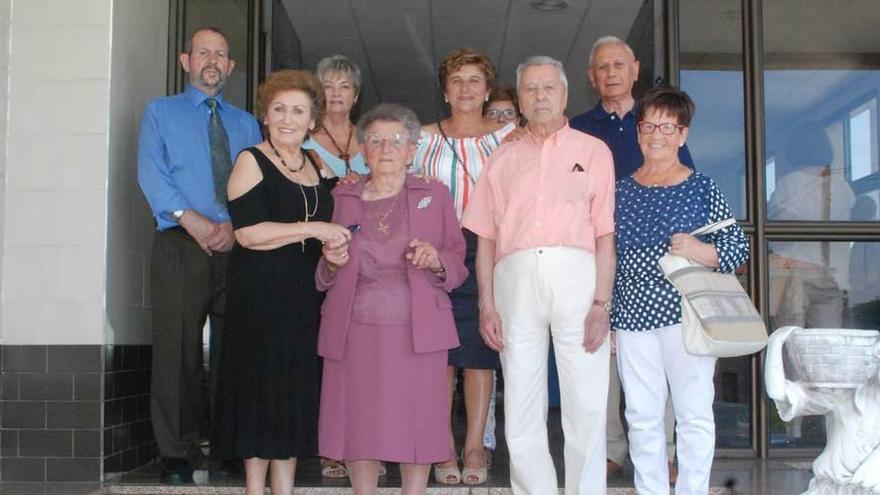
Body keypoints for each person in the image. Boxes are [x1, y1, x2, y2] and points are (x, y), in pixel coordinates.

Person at [463, 56, 616, 495]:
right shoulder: (502, 157)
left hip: (577, 277)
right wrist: (486, 303)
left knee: (585, 400)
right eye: (530, 89)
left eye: (549, 87)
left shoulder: (593, 151)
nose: (540, 96)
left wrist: (601, 304)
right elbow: (486, 239)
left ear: (566, 95)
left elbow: (605, 234)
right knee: (522, 398)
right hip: (514, 278)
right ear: (519, 99)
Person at [211, 69, 351, 495]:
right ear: (265, 116)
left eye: (298, 111)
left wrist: (334, 249)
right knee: (260, 391)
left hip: (302, 297)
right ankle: (256, 489)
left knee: (293, 390)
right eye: (278, 109)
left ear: (312, 121)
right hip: (259, 296)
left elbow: (328, 221)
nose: (287, 118)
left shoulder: (315, 163)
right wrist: (313, 230)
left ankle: (284, 489)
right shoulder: (250, 160)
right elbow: (247, 234)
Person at [316, 103, 468, 495]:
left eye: (397, 140)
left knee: (415, 422)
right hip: (353, 329)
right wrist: (330, 264)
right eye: (376, 140)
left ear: (413, 148)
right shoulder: (342, 197)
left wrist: (436, 261)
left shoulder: (434, 195)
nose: (386, 148)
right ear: (363, 148)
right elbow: (322, 273)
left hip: (418, 329)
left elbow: (457, 257)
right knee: (358, 424)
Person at [137, 26, 262, 484]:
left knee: (235, 349)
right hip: (179, 243)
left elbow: (255, 183)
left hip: (237, 245)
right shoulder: (160, 113)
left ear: (230, 67)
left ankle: (228, 446)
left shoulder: (247, 123)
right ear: (186, 61)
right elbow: (152, 173)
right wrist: (192, 220)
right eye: (204, 52)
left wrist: (236, 227)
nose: (213, 60)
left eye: (222, 54)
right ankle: (177, 451)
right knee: (177, 351)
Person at [612, 86, 749, 495]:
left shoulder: (701, 187)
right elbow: (608, 257)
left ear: (683, 134)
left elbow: (737, 247)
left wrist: (699, 249)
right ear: (638, 131)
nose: (657, 134)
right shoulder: (620, 191)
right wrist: (611, 318)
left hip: (687, 315)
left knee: (693, 414)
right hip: (633, 316)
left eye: (668, 126)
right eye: (649, 124)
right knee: (641, 415)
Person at [571, 35, 688, 481]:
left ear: (635, 69)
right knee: (606, 355)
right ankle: (611, 446)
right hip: (598, 253)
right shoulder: (578, 127)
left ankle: (667, 450)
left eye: (619, 65)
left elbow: (685, 181)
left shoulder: (657, 121)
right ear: (591, 77)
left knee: (661, 355)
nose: (611, 73)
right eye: (602, 67)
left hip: (655, 262)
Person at [413, 48, 515, 486]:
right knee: (439, 354)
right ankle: (440, 444)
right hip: (435, 252)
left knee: (479, 350)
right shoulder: (421, 138)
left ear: (488, 88)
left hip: (489, 250)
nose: (466, 88)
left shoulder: (510, 137)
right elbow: (394, 184)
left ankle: (474, 443)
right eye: (457, 80)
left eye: (475, 80)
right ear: (445, 90)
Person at [304, 54, 369, 180]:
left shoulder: (370, 139)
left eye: (344, 86)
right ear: (318, 94)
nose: (336, 93)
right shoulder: (303, 140)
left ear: (356, 96)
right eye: (328, 86)